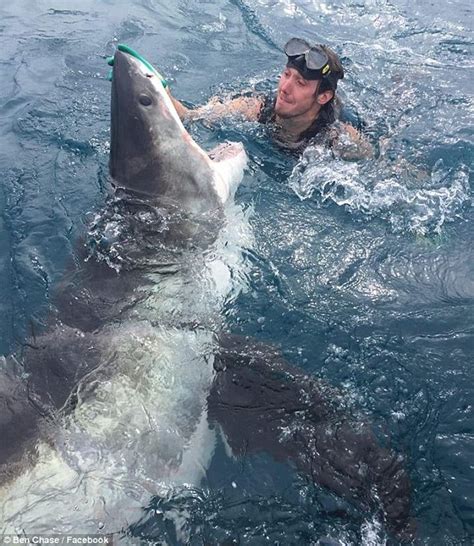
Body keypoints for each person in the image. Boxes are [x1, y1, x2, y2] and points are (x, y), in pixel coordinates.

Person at [168, 37, 373, 158]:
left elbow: (376, 165)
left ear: (323, 96)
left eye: (300, 83)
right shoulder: (255, 108)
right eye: (286, 75)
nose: (284, 88)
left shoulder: (337, 137)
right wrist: (160, 92)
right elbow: (191, 116)